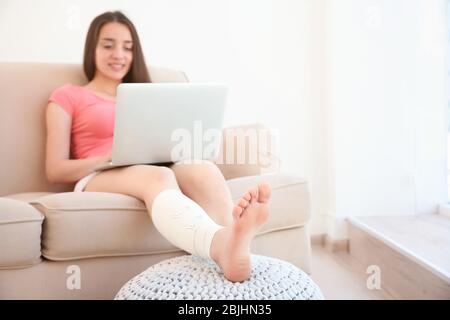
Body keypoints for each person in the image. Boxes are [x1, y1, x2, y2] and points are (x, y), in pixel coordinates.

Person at [45, 11, 271, 282]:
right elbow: (55, 170)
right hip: (98, 174)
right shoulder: (67, 95)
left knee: (201, 169)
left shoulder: (146, 94)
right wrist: (108, 158)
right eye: (108, 45)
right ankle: (219, 244)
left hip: (153, 162)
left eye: (128, 48)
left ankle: (233, 246)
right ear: (91, 47)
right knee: (159, 176)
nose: (119, 54)